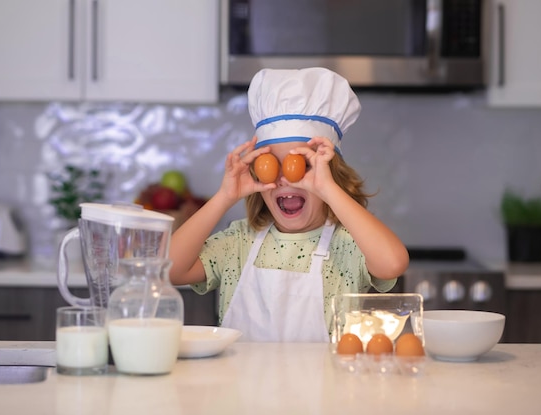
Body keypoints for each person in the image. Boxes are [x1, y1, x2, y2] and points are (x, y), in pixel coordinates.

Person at [169, 67, 409, 342]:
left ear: (331, 172)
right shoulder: (238, 243)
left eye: (302, 166)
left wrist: (329, 189)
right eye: (271, 165)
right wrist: (224, 196)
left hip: (327, 385)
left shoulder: (347, 245)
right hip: (242, 385)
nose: (285, 180)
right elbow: (171, 269)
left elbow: (393, 263)